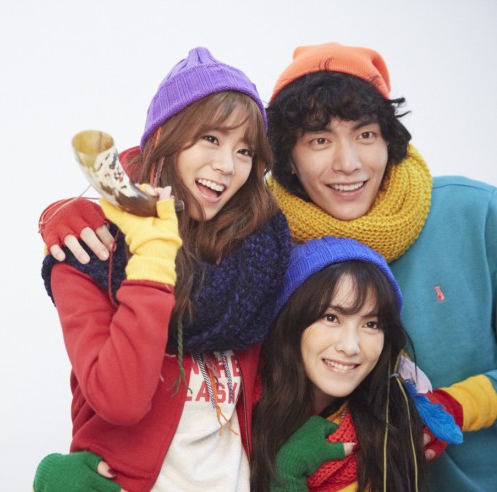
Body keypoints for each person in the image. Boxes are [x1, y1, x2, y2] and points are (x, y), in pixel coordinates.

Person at [39, 43, 497, 491]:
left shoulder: (263, 254)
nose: (348, 162)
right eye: (320, 140)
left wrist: (459, 404)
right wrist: (80, 214)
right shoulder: (268, 247)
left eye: (366, 135)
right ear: (286, 161)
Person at [33, 47, 290, 491]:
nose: (227, 166)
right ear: (165, 137)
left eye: (245, 150)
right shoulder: (90, 255)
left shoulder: (257, 256)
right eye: (210, 138)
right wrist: (153, 255)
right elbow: (121, 400)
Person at [251, 236, 463, 492]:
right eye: (331, 317)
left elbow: (475, 398)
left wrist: (287, 472)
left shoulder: (393, 423)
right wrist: (287, 470)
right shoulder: (234, 415)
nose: (351, 346)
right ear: (289, 321)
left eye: (371, 324)